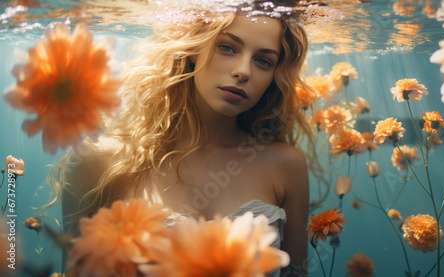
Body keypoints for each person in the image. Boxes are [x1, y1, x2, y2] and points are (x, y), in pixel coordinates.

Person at [48, 5, 314, 275]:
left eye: (263, 61)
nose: (243, 71)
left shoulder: (285, 165)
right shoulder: (100, 159)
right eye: (228, 47)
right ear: (193, 50)